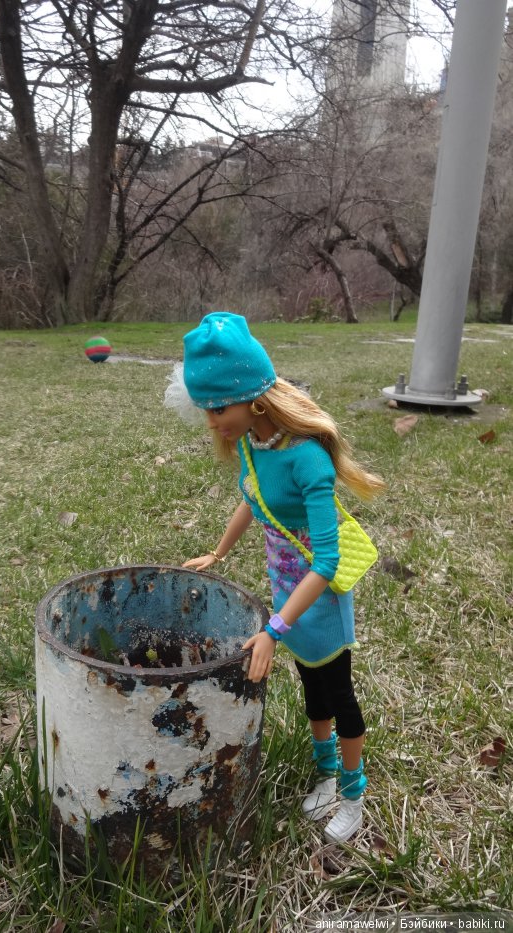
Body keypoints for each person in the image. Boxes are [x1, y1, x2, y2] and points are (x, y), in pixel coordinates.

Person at [168, 311, 386, 844]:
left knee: (339, 694)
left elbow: (327, 564)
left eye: (219, 408)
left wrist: (273, 630)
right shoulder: (252, 445)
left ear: (254, 399)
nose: (214, 421)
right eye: (208, 410)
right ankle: (327, 774)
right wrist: (218, 552)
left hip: (318, 601)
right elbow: (252, 500)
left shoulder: (308, 461)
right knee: (313, 691)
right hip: (287, 596)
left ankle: (354, 796)